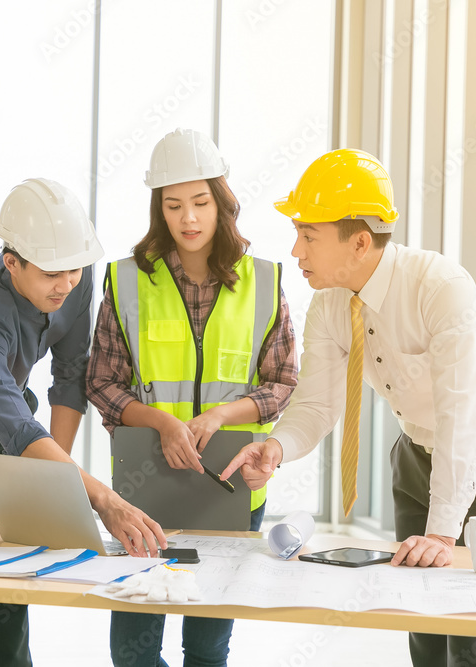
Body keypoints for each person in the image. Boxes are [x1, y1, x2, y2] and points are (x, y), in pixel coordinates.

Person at [222, 149, 476, 667]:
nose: (296, 250)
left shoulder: (439, 287)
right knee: (415, 608)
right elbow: (318, 404)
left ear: (359, 242)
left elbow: (460, 416)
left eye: (309, 235)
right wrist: (277, 446)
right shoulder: (330, 302)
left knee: (470, 615)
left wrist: (443, 531)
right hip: (418, 451)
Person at [0, 178, 168, 667]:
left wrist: (55, 479)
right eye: (51, 273)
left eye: (74, 269)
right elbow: (18, 432)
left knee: (15, 548)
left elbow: (68, 378)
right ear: (12, 262)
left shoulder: (75, 279)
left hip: (12, 411)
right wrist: (102, 498)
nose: (66, 284)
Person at [86, 128, 298, 667]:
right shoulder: (126, 281)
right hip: (144, 491)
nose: (188, 218)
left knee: (208, 651)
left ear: (222, 203)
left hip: (229, 490)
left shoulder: (266, 283)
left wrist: (224, 414)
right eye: (173, 205)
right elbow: (101, 381)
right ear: (159, 208)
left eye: (201, 202)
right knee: (133, 654)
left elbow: (281, 382)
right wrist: (159, 421)